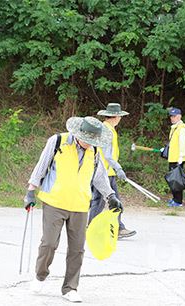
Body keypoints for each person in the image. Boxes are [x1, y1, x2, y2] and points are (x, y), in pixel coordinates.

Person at [24, 116, 122, 303]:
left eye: (94, 141)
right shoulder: (58, 141)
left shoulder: (93, 152)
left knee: (77, 249)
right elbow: (41, 166)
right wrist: (30, 191)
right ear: (79, 134)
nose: (91, 144)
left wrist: (110, 196)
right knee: (49, 243)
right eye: (89, 140)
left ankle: (70, 288)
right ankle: (40, 276)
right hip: (54, 201)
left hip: (80, 205)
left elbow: (100, 177)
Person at [89, 103, 136, 238]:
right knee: (105, 201)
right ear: (115, 117)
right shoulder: (106, 131)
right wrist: (118, 168)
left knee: (102, 201)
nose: (120, 119)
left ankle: (116, 228)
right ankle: (115, 228)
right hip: (104, 172)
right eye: (119, 116)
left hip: (106, 172)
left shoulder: (108, 129)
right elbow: (107, 154)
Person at [164, 107, 185, 207]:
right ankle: (175, 198)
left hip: (178, 159)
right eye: (171, 116)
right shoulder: (175, 127)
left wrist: (181, 157)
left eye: (174, 116)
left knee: (176, 180)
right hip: (173, 158)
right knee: (173, 180)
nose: (172, 118)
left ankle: (178, 201)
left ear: (179, 116)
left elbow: (183, 143)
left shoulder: (182, 128)